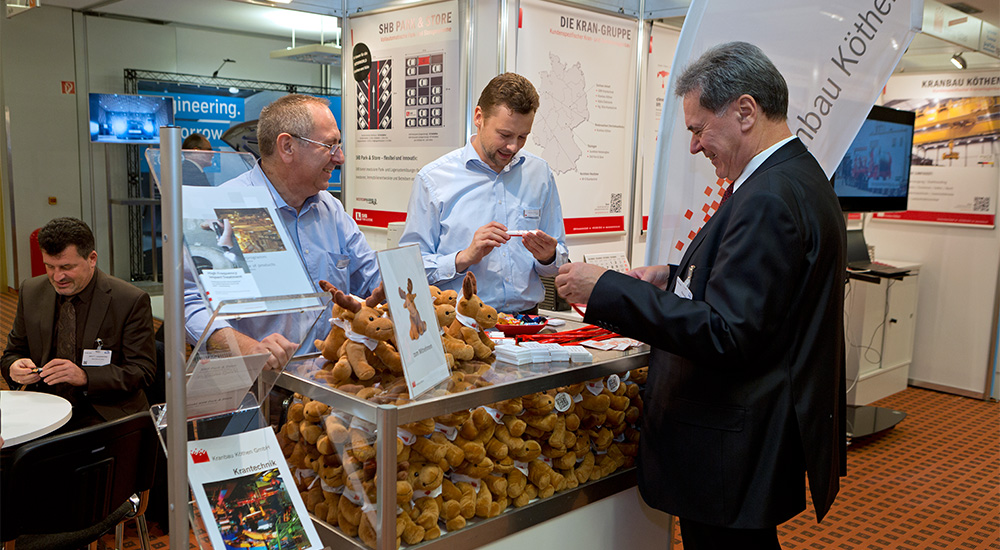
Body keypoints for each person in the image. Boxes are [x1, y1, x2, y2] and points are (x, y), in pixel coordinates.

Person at [555, 42, 846, 549]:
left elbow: (728, 334)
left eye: (697, 129)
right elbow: (763, 295)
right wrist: (673, 275)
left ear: (746, 111)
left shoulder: (769, 197)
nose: (693, 147)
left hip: (731, 443)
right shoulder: (797, 177)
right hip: (752, 435)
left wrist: (607, 288)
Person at [184, 94, 381, 366]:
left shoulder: (331, 210)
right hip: (259, 387)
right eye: (329, 145)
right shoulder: (225, 206)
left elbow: (371, 279)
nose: (340, 158)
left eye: (339, 145)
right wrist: (248, 348)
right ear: (287, 146)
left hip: (326, 383)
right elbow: (190, 302)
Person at [399, 73, 568, 314]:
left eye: (523, 137)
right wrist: (463, 257)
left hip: (527, 323)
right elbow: (409, 267)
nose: (513, 147)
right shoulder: (434, 179)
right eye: (505, 135)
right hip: (461, 326)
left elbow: (557, 260)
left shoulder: (540, 174)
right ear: (479, 117)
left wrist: (549, 257)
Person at [2, 217, 156, 428]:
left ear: (92, 259)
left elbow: (142, 371)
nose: (57, 277)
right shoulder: (31, 291)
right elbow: (13, 353)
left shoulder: (128, 300)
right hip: (44, 405)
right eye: (49, 266)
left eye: (67, 267)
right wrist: (13, 368)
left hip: (103, 409)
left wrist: (85, 376)